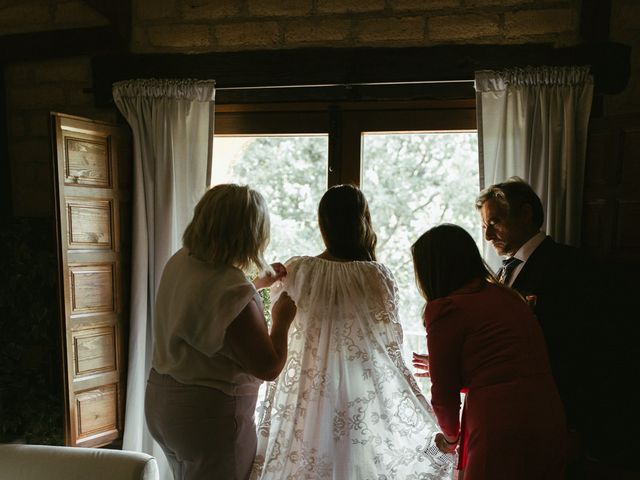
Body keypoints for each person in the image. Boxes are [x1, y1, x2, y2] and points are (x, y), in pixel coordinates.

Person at [251, 184, 449, 480]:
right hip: (359, 398)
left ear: (323, 223)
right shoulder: (375, 276)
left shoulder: (298, 269)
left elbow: (277, 321)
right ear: (362, 221)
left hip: (307, 399)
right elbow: (388, 349)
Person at [144, 184, 297, 480]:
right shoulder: (231, 288)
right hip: (207, 416)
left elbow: (207, 312)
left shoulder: (182, 260)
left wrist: (255, 285)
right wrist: (282, 321)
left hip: (162, 405)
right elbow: (267, 366)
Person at [474, 177, 611, 474]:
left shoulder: (569, 265)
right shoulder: (501, 274)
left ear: (525, 214)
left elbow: (581, 348)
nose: (487, 235)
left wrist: (573, 425)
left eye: (495, 222)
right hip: (511, 416)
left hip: (555, 415)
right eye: (484, 225)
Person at [411, 223, 568, 479]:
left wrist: (451, 439)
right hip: (547, 413)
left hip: (499, 422)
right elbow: (504, 362)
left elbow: (443, 396)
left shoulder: (445, 309)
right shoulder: (507, 295)